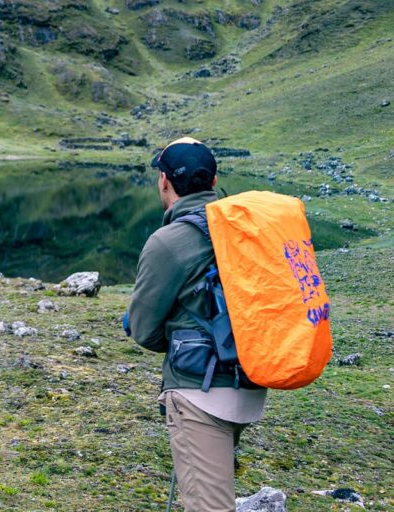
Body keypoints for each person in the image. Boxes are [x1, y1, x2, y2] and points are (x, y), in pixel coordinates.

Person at [126, 137, 267, 511]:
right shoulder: (248, 227)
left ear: (163, 181)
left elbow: (144, 331)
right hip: (252, 381)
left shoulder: (169, 241)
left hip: (199, 394)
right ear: (214, 179)